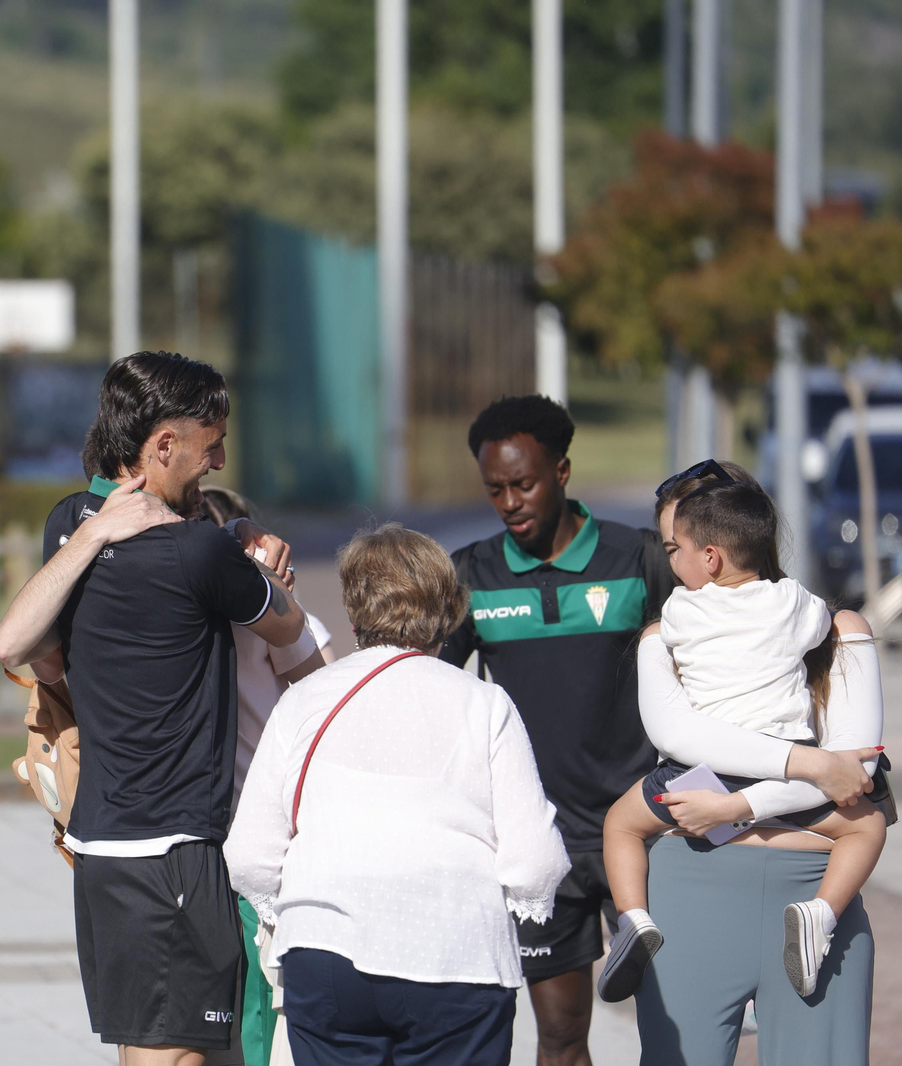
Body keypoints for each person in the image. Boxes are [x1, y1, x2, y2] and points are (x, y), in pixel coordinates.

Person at [0, 351, 307, 1066]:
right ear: (164, 444)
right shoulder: (197, 552)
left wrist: (99, 534)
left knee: (190, 1048)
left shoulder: (69, 523)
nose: (219, 461)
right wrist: (249, 549)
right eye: (211, 444)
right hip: (173, 850)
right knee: (175, 1054)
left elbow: (32, 653)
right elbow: (288, 626)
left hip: (102, 842)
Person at [225, 523, 570, 1066]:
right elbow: (535, 863)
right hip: (456, 957)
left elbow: (248, 855)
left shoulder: (305, 700)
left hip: (325, 953)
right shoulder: (484, 704)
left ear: (354, 611)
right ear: (448, 612)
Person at [438, 395, 674, 1066]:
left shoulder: (638, 560)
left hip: (644, 832)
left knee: (678, 1027)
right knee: (562, 1037)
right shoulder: (472, 575)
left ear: (562, 471)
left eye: (524, 484)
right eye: (495, 490)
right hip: (540, 844)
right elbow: (429, 688)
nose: (510, 502)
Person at [628, 460, 883, 1066]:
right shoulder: (665, 635)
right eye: (669, 547)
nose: (676, 567)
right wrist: (811, 765)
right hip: (690, 893)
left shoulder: (834, 628)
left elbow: (854, 775)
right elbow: (680, 735)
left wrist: (739, 804)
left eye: (679, 547)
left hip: (816, 905)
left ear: (721, 545)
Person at [201, 485, 333, 1066]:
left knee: (259, 997)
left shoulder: (273, 613)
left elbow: (322, 693)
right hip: (192, 827)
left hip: (255, 824)